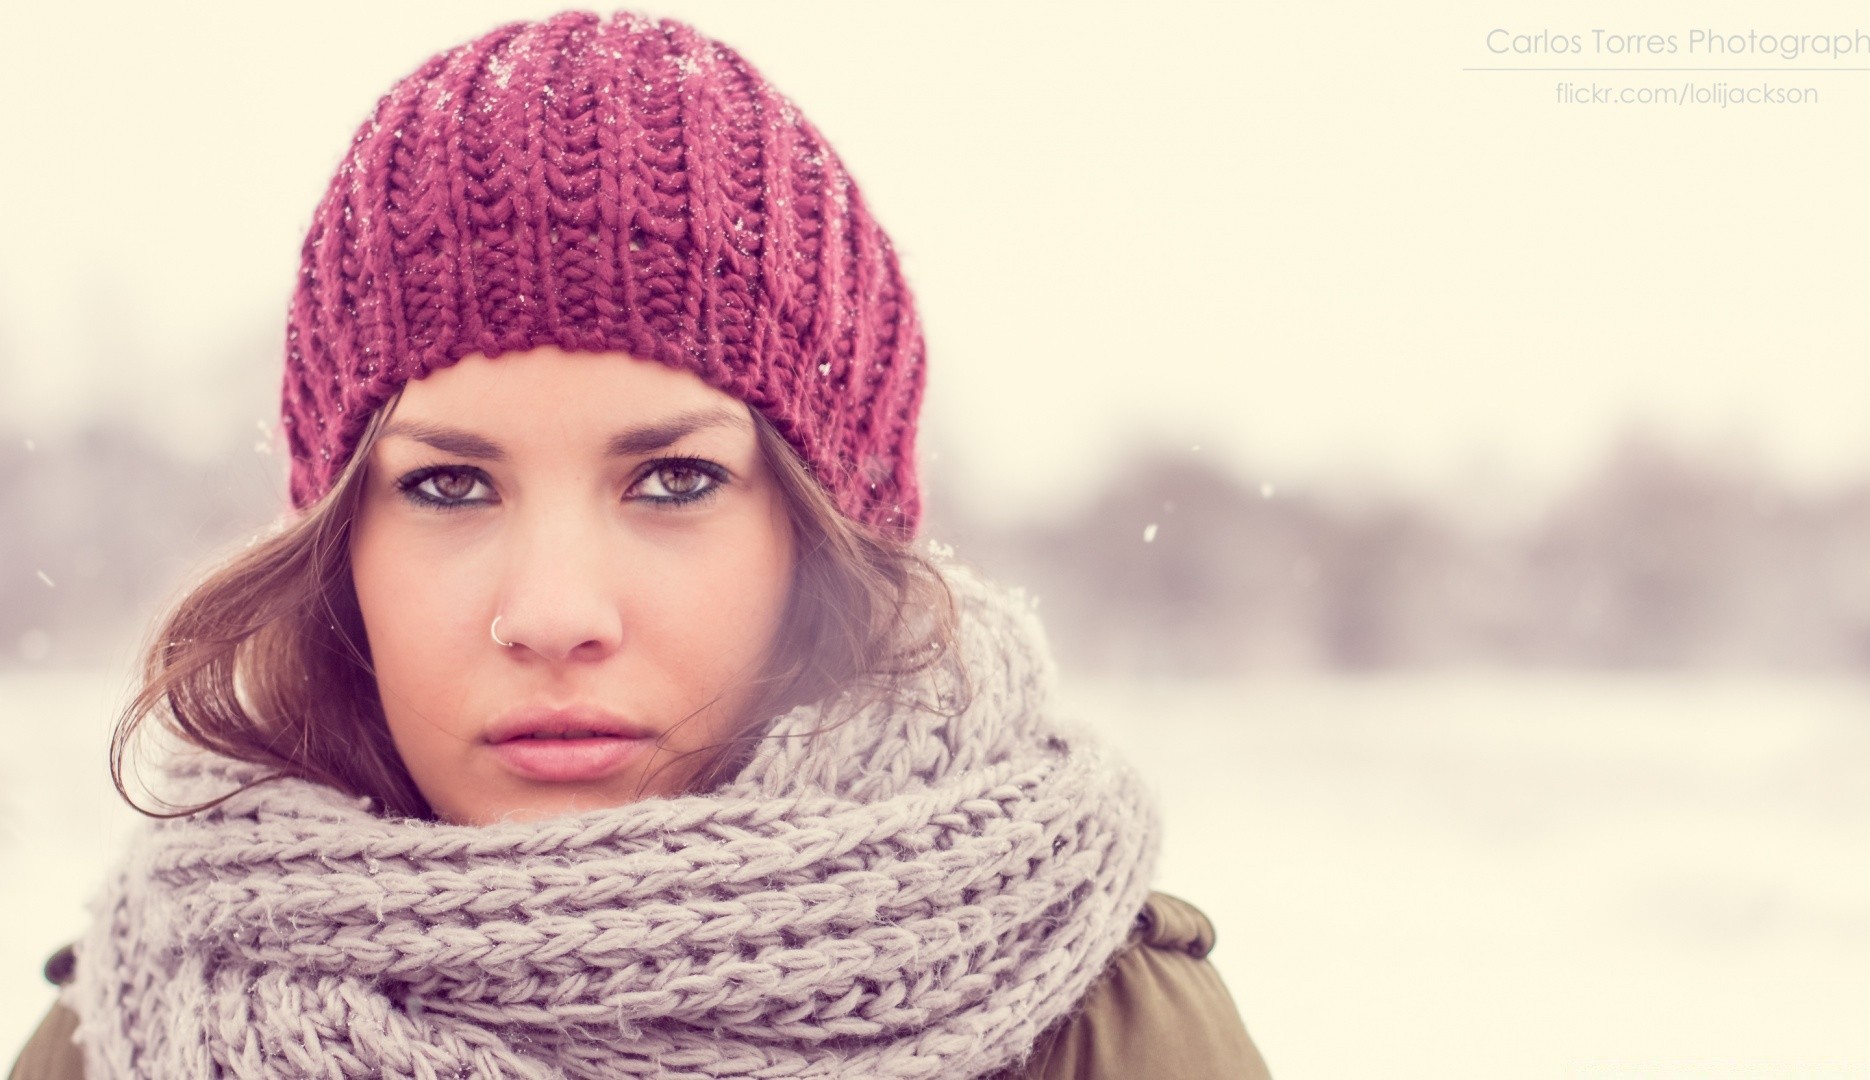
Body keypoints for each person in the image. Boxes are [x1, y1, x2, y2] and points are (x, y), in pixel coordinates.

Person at [8, 10, 1267, 1079]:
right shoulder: (124, 1031)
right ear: (338, 549)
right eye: (448, 485)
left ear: (823, 539)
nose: (554, 614)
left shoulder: (1093, 1028)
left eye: (673, 479)